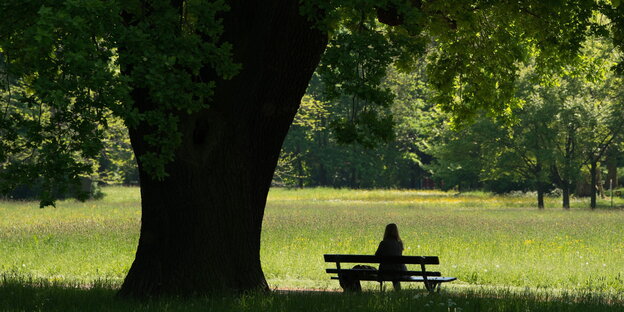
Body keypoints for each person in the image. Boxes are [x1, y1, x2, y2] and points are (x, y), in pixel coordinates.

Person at [375, 223, 407, 290]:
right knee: (395, 268)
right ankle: (398, 292)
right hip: (398, 271)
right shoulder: (399, 244)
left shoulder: (383, 243)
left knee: (390, 267)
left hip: (385, 271)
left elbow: (376, 256)